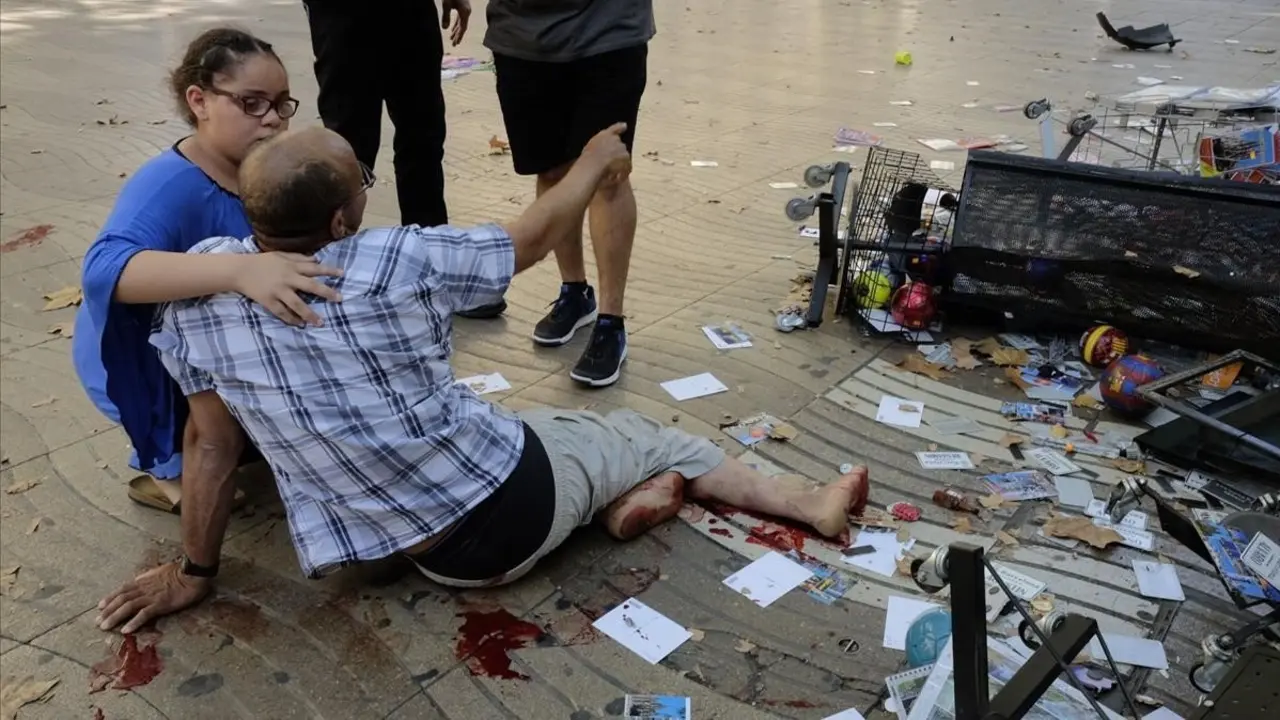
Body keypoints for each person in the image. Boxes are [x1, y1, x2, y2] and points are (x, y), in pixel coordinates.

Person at [93, 126, 871, 633]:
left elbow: (209, 446)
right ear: (339, 221)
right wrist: (595, 160)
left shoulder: (201, 290)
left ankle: (618, 497)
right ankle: (807, 503)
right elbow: (530, 239)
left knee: (545, 430)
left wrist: (194, 572)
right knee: (646, 433)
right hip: (506, 513)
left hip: (399, 541)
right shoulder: (396, 259)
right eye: (361, 181)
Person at [73, 28, 342, 514]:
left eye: (281, 104)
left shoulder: (265, 168)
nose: (273, 119)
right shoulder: (169, 183)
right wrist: (240, 271)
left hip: (211, 337)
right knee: (215, 473)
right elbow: (102, 270)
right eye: (252, 103)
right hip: (144, 361)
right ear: (199, 101)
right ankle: (168, 466)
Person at [483, 0, 654, 386]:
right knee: (551, 168)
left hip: (608, 30)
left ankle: (611, 320)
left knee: (608, 175)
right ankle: (575, 291)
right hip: (521, 36)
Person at [299, 3, 504, 315]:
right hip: (342, 16)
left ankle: (433, 263)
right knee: (348, 152)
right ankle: (329, 271)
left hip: (409, 12)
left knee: (423, 137)